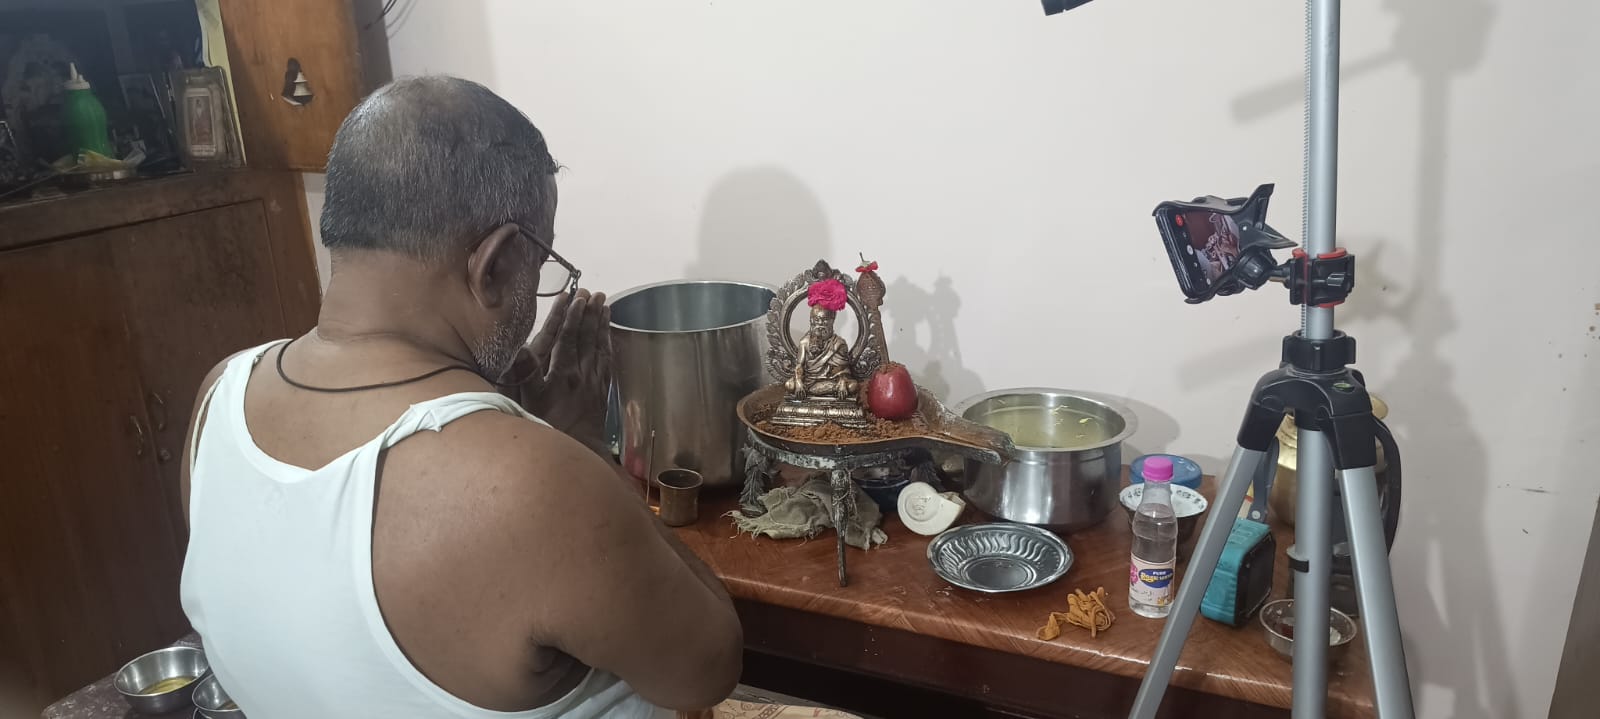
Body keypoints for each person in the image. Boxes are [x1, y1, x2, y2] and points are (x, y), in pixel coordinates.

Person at [178, 76, 742, 719]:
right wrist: (583, 452)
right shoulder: (536, 485)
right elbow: (709, 667)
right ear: (495, 263)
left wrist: (510, 424)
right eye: (541, 265)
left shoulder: (219, 398)